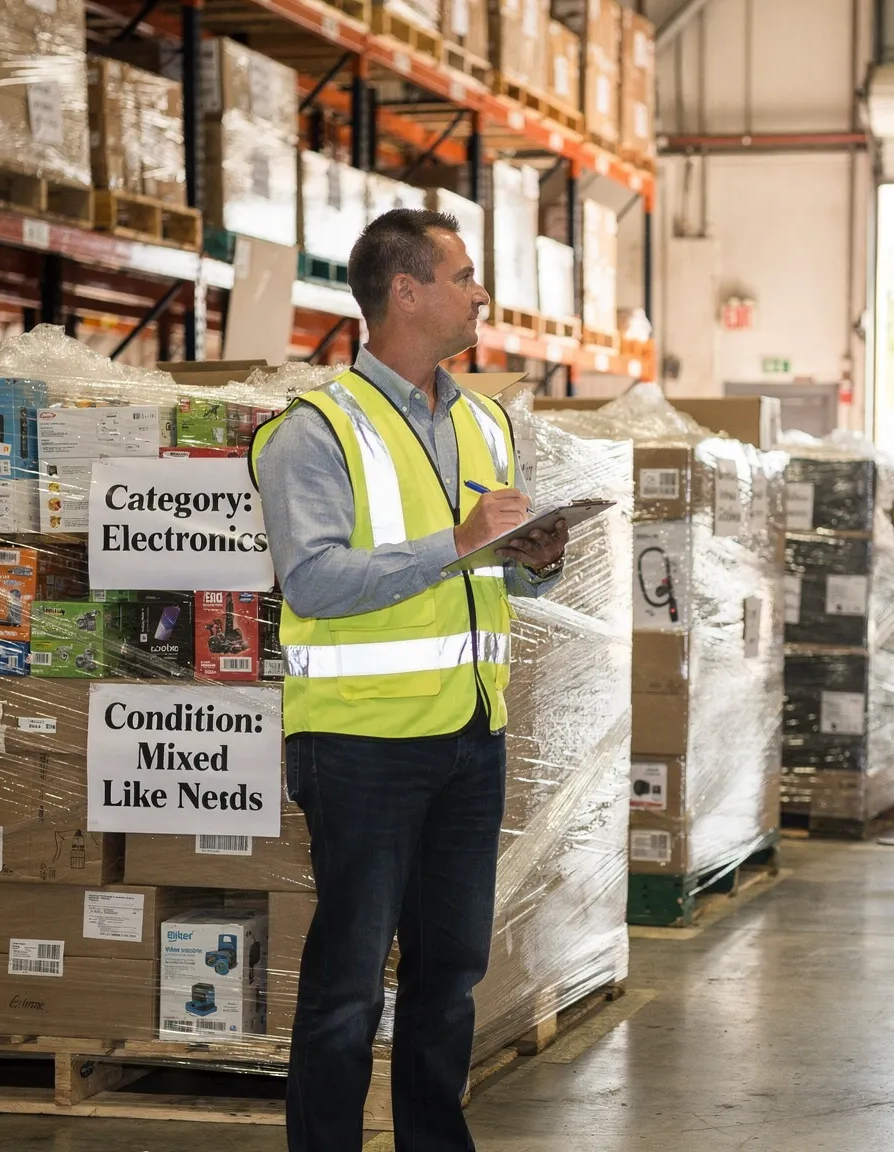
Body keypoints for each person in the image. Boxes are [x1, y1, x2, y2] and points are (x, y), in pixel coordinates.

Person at [250, 208, 570, 1152]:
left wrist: (532, 558)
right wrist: (461, 543)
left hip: (471, 734)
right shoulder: (314, 432)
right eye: (466, 276)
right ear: (405, 290)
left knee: (450, 972)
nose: (481, 294)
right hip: (361, 743)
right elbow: (311, 579)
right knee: (349, 982)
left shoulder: (484, 420)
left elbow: (485, 568)